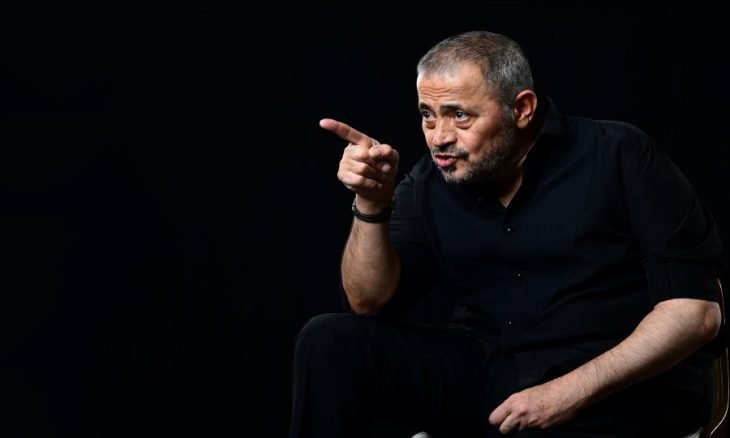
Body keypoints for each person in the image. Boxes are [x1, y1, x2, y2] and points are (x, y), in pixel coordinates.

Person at [289, 30, 725, 437]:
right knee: (329, 340)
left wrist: (566, 393)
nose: (439, 138)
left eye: (459, 115)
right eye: (427, 116)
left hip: (611, 385)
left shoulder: (618, 153)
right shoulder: (429, 181)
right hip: (489, 371)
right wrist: (371, 203)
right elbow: (368, 301)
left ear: (522, 109)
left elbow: (695, 314)